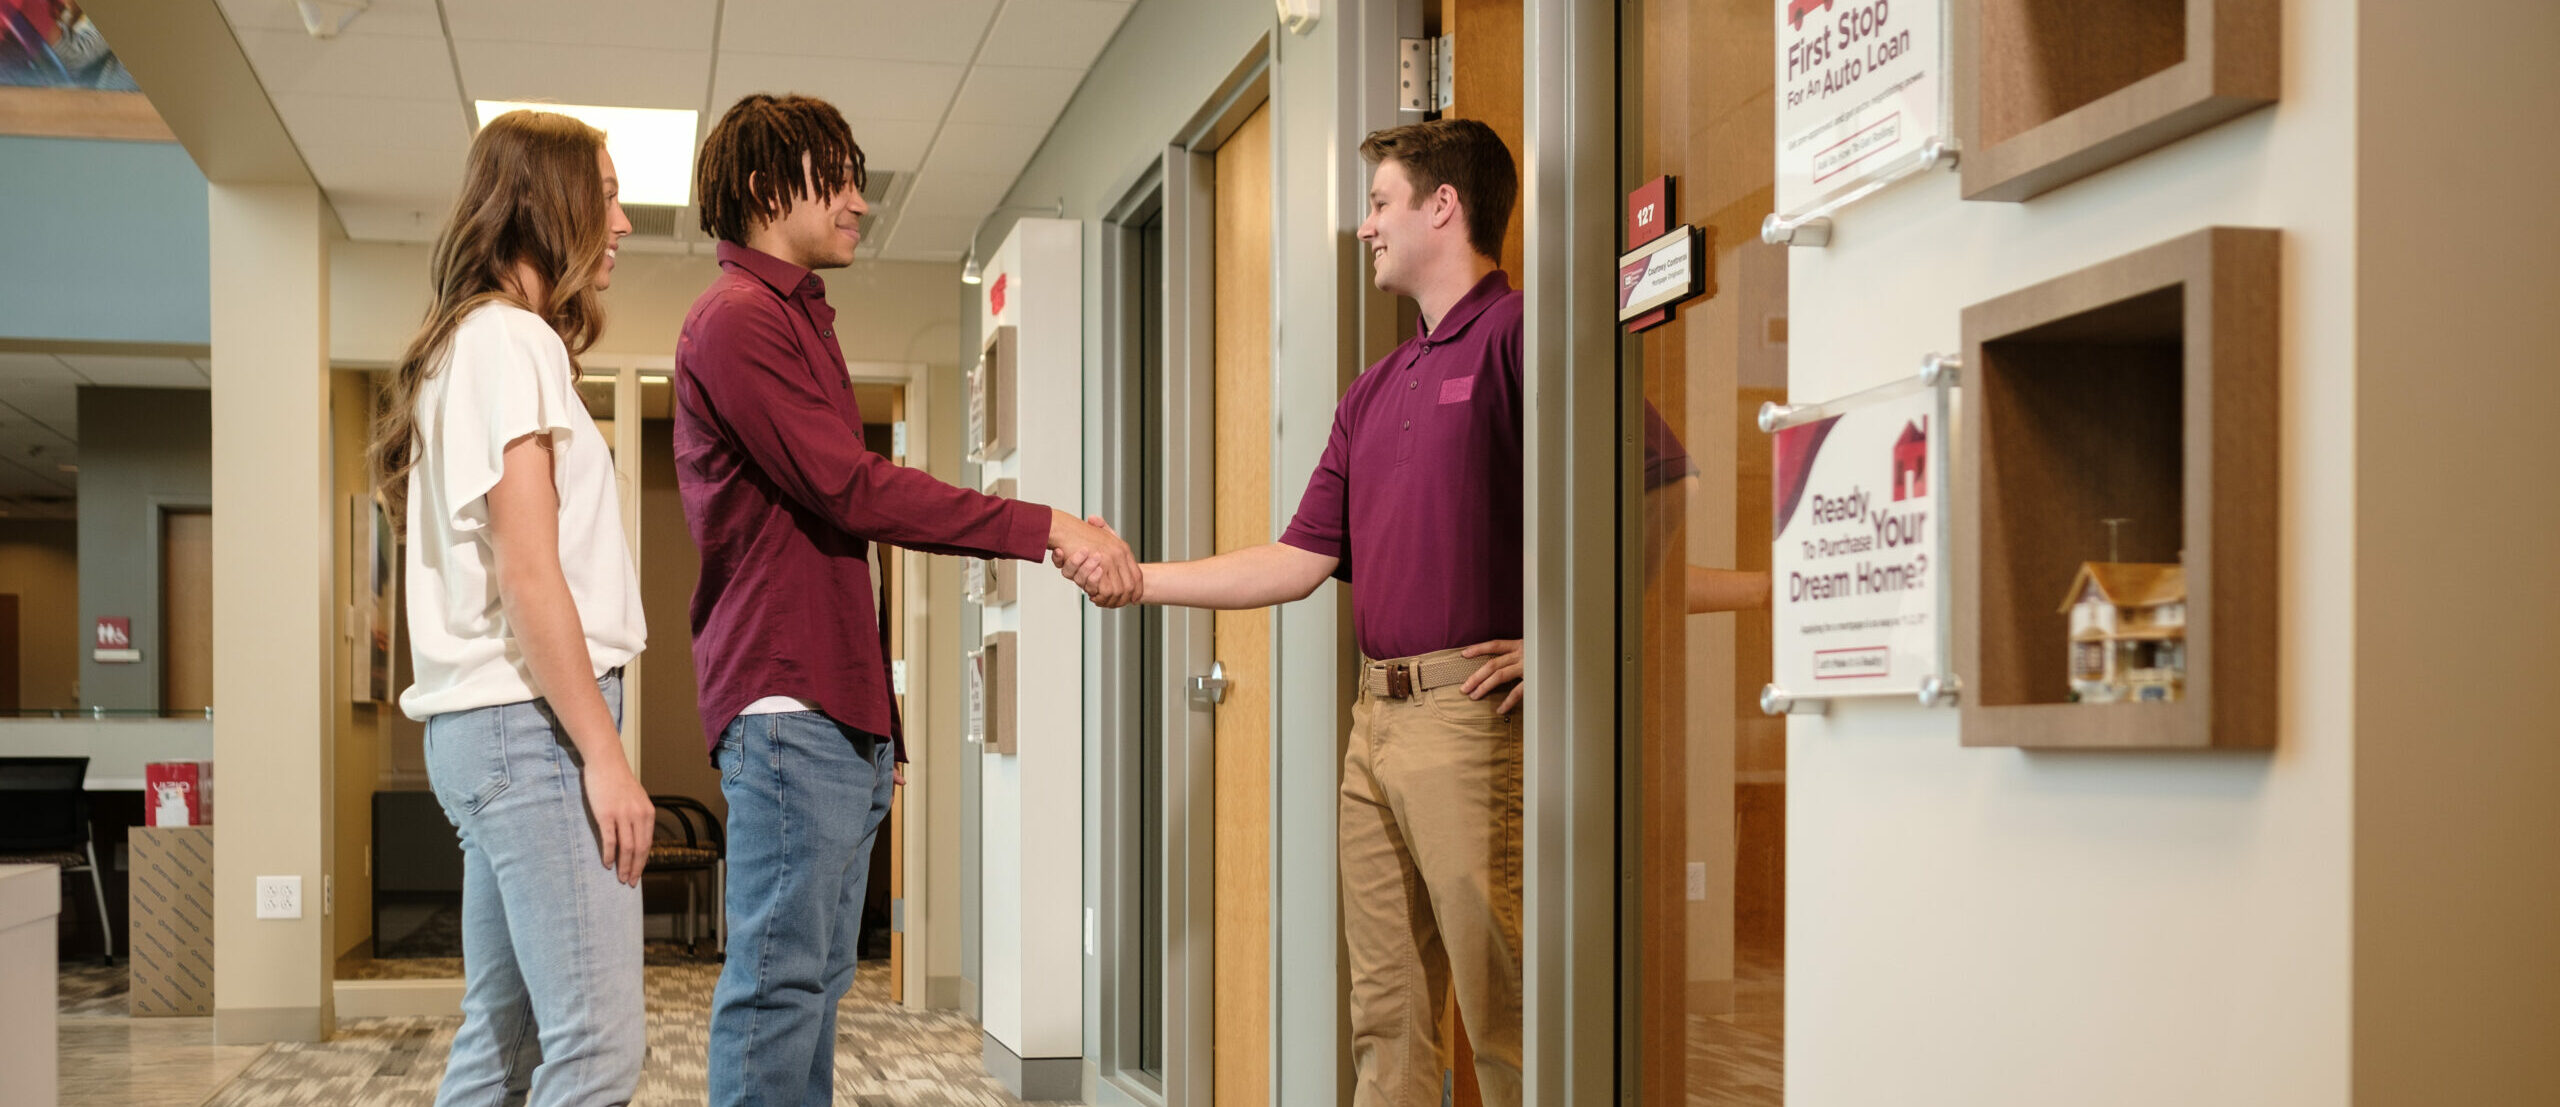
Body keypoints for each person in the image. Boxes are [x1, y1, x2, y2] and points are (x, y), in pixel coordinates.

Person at [1062, 118, 1768, 1107]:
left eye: (1380, 202)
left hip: (1472, 720)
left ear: (1444, 208)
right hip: (1375, 728)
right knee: (1385, 1017)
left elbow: (1663, 490)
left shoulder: (1527, 331)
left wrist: (1574, 646)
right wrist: (1140, 580)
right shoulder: (1373, 389)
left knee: (1509, 1012)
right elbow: (1297, 560)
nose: (1366, 227)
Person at [674, 92, 1138, 1107]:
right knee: (776, 992)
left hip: (829, 713)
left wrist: (881, 729)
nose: (857, 202)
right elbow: (853, 486)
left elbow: (832, 530)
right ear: (765, 190)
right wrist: (1046, 525)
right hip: (787, 707)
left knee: (812, 987)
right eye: (835, 179)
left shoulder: (795, 319)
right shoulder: (738, 322)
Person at [372, 110, 649, 1107]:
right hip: (528, 732)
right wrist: (607, 757)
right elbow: (534, 580)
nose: (621, 223)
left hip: (492, 731)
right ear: (549, 203)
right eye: (607, 196)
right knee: (599, 1045)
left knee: (505, 1037)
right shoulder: (509, 341)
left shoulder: (472, 344)